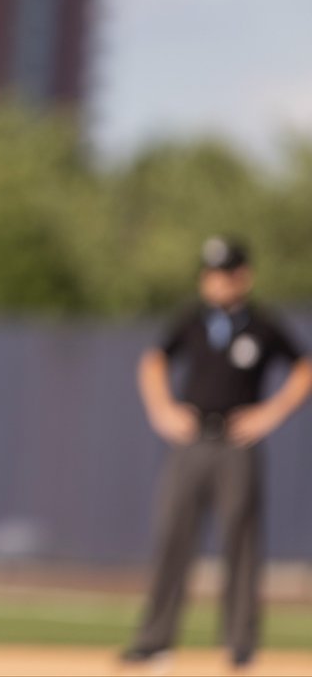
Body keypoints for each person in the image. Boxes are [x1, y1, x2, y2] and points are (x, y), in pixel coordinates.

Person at [121, 236, 312, 670]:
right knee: (173, 535)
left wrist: (272, 412)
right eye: (209, 274)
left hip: (237, 444)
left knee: (241, 540)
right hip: (192, 442)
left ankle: (240, 644)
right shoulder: (191, 319)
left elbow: (303, 366)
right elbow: (153, 360)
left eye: (225, 273)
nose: (216, 282)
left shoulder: (262, 325)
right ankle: (155, 640)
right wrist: (162, 409)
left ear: (244, 275)